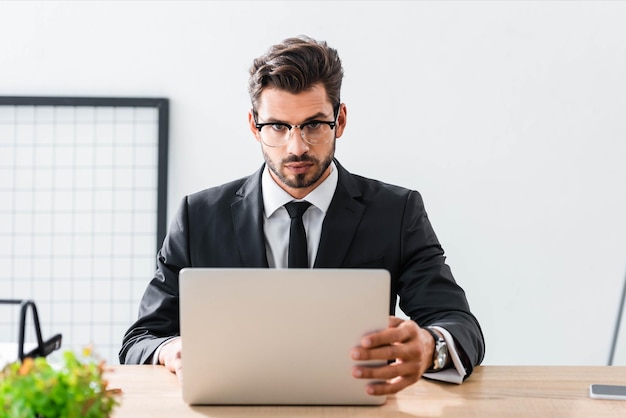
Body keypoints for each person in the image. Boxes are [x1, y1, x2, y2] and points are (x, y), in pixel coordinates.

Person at [120, 35, 485, 395]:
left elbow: (459, 325)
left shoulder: (396, 212)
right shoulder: (198, 217)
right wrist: (171, 350)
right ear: (254, 126)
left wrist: (429, 347)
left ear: (339, 121)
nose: (297, 147)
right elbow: (140, 339)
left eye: (314, 125)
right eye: (278, 126)